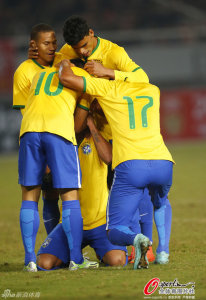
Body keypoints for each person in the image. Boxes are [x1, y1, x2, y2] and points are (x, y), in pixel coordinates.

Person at [58, 60, 174, 269]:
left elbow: (67, 78)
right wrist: (112, 72)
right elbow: (139, 77)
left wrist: (65, 63)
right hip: (163, 162)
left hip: (131, 164)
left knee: (115, 229)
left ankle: (137, 240)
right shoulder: (152, 89)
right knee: (161, 201)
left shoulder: (107, 89)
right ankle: (163, 252)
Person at [17, 54, 99, 271]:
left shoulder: (39, 74)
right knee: (69, 195)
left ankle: (29, 261)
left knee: (29, 195)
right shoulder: (81, 78)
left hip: (28, 130)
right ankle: (76, 260)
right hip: (59, 131)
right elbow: (79, 121)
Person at [37, 104, 127, 270]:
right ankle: (73, 253)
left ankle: (100, 251)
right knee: (44, 263)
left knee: (117, 260)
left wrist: (92, 127)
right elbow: (46, 172)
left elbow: (109, 158)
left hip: (100, 222)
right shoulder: (62, 143)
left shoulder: (100, 134)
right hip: (69, 223)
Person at [13, 24, 67, 235]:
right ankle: (53, 246)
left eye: (54, 42)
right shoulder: (23, 71)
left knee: (70, 193)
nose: (52, 47)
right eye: (47, 43)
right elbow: (27, 112)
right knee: (49, 193)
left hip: (64, 135)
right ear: (33, 45)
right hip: (40, 137)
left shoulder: (61, 64)